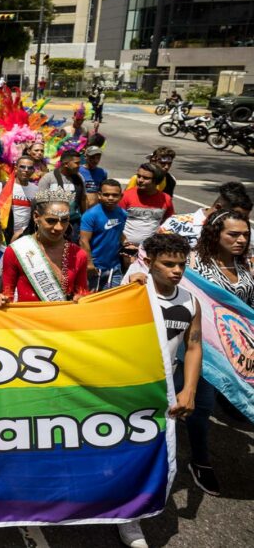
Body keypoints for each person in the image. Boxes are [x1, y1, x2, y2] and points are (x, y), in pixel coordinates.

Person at [117, 233, 204, 548]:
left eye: (181, 264)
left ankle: (131, 520)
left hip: (162, 394)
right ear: (149, 262)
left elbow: (193, 348)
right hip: (123, 390)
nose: (177, 270)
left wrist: (189, 389)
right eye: (168, 264)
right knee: (115, 453)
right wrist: (129, 287)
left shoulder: (190, 302)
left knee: (158, 461)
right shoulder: (132, 292)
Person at [1, 189, 89, 302]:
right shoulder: (16, 250)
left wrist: (82, 297)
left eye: (64, 220)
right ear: (36, 217)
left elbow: (83, 293)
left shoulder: (78, 254)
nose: (59, 227)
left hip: (62, 318)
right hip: (27, 318)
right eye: (51, 220)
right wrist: (0, 300)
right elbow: (7, 295)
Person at [158, 181, 252, 249]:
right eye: (237, 216)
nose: (242, 221)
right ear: (218, 208)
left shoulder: (246, 232)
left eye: (244, 217)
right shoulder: (176, 223)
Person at [191, 209, 253, 306]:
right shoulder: (191, 261)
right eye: (233, 234)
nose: (242, 240)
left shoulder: (246, 264)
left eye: (246, 235)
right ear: (214, 234)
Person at [79, 179, 127, 292]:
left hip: (114, 267)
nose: (110, 198)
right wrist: (89, 264)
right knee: (91, 300)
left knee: (112, 299)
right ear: (99, 195)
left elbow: (119, 232)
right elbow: (83, 241)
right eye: (106, 194)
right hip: (95, 267)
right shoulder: (90, 215)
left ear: (121, 196)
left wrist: (126, 243)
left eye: (115, 195)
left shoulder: (122, 213)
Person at [119, 163, 174, 246]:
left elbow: (169, 222)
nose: (140, 180)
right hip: (125, 248)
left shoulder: (166, 199)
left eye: (146, 178)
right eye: (139, 176)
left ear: (157, 181)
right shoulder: (126, 196)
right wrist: (125, 242)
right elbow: (116, 222)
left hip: (152, 249)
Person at [37, 149, 87, 236]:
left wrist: (85, 220)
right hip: (53, 223)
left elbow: (83, 200)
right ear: (66, 164)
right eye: (77, 163)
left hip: (74, 223)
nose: (80, 166)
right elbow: (40, 203)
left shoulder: (79, 178)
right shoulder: (48, 178)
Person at [0, 156, 39, 241]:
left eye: (29, 168)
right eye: (22, 167)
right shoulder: (2, 186)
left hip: (25, 237)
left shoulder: (36, 190)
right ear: (16, 169)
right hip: (2, 235)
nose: (26, 170)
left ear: (33, 171)